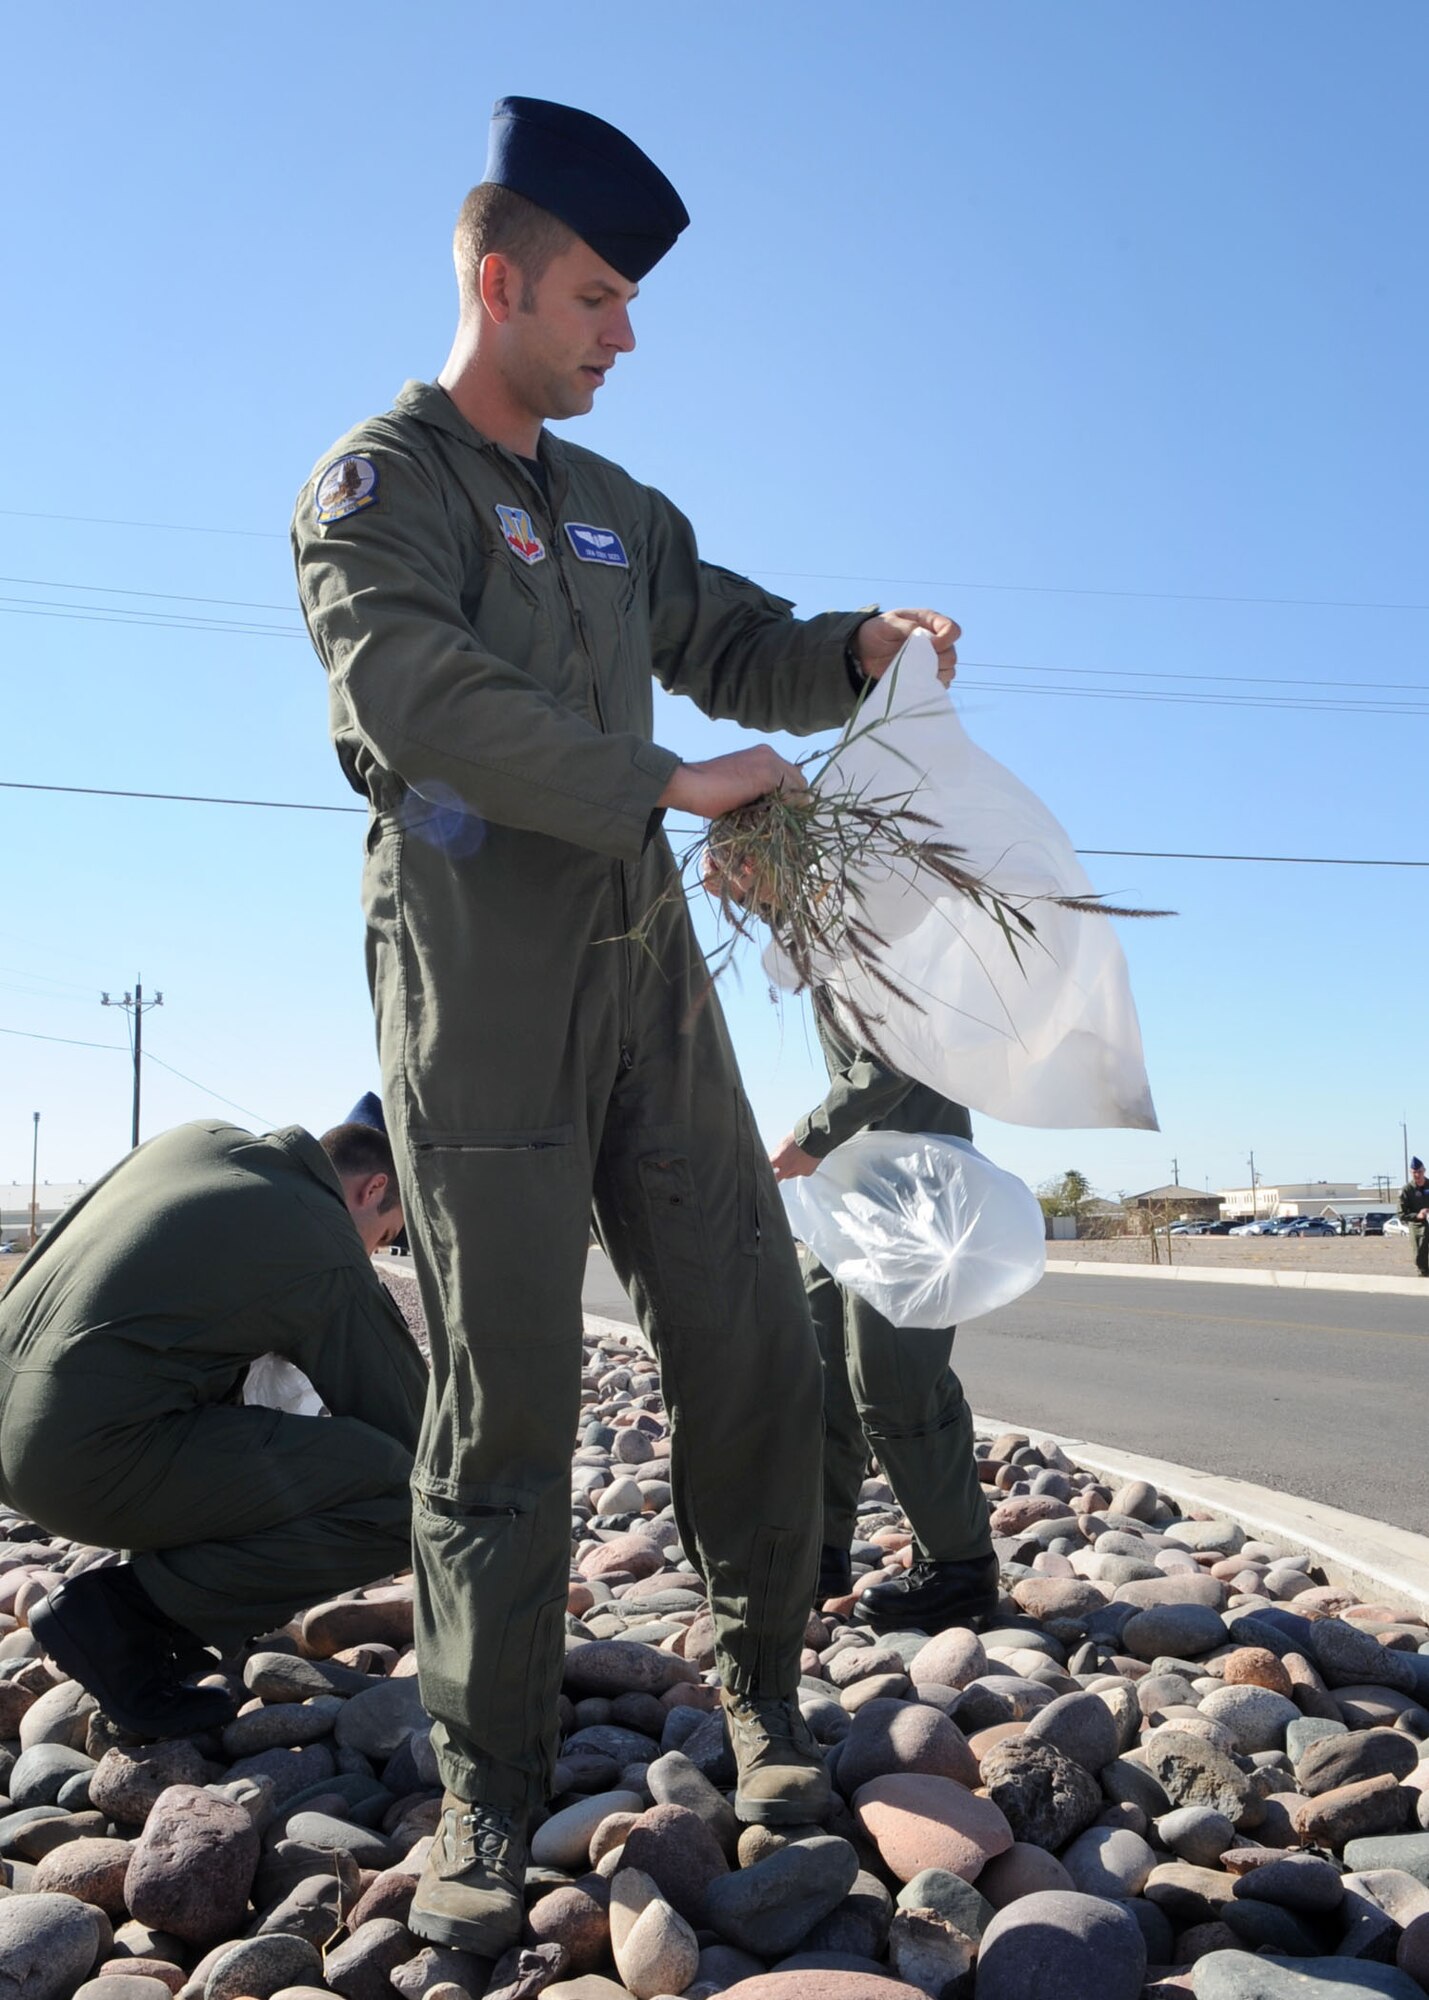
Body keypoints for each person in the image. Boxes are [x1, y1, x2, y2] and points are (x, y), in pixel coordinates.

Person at [290, 95, 962, 1955]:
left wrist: (849, 649)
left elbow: (730, 632)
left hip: (648, 985)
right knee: (500, 1403)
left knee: (748, 1337)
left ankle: (756, 1692)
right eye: (594, 296)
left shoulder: (612, 514)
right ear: (497, 282)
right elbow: (415, 700)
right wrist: (670, 786)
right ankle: (490, 1781)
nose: (624, 334)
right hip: (478, 988)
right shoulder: (379, 484)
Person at [0, 1116, 424, 1739]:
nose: (371, 1256)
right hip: (76, 1465)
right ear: (371, 1189)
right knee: (406, 1495)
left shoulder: (198, 1145)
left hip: (17, 1431)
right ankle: (125, 1617)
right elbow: (414, 1431)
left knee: (192, 1393)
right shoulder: (318, 1234)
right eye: (384, 1237)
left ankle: (160, 1617)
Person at [769, 1007, 999, 1633]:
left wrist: (812, 1134)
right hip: (857, 1180)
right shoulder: (812, 938)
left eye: (730, 895)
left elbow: (901, 1048)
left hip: (913, 1184)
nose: (724, 901)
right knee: (819, 1369)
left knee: (894, 1375)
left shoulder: (867, 918)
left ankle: (959, 1569)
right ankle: (817, 1558)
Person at [1400, 1156, 1429, 1277]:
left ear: (1424, 1170)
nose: (1417, 1175)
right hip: (1418, 1226)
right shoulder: (1407, 1190)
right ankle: (1424, 1274)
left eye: (1419, 1172)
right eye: (1414, 1172)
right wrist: (1418, 1215)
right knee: (1419, 1255)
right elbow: (1401, 1214)